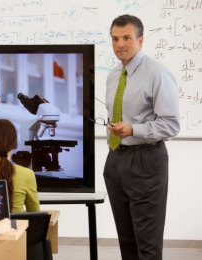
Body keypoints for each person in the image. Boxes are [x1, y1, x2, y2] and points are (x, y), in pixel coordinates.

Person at [104, 15, 180, 260]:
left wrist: (134, 130)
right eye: (115, 39)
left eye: (127, 38)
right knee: (126, 240)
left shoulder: (157, 74)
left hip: (146, 159)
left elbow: (171, 124)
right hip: (116, 158)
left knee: (146, 242)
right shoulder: (114, 74)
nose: (120, 44)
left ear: (140, 40)